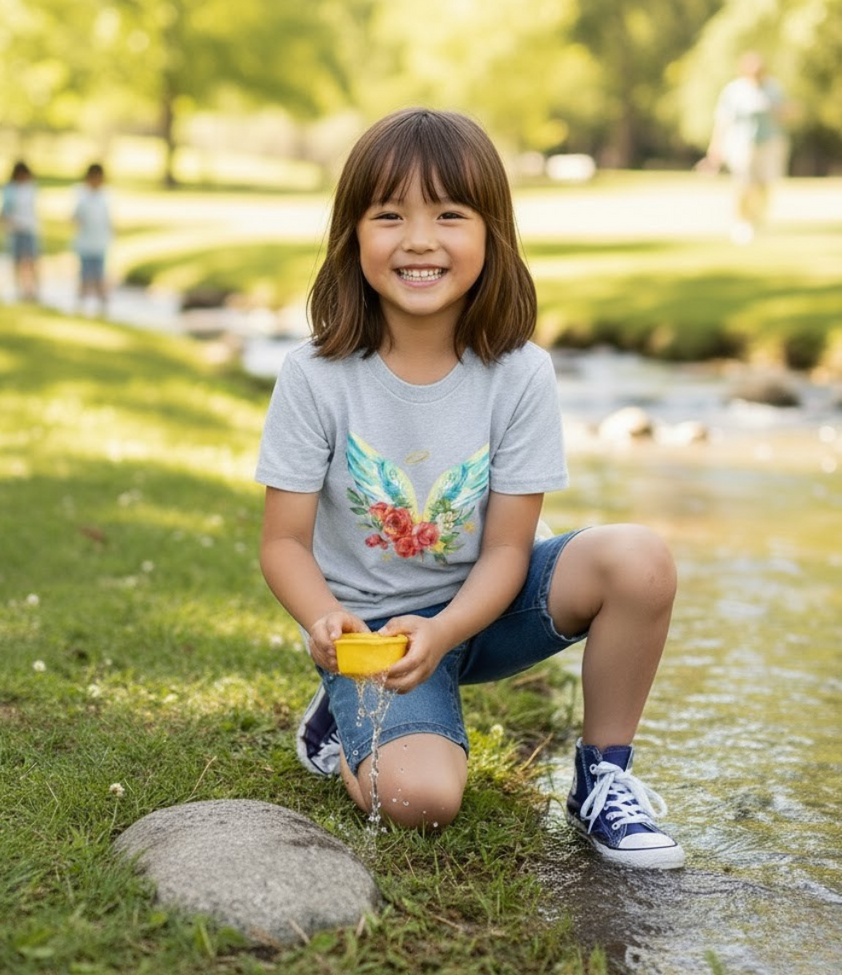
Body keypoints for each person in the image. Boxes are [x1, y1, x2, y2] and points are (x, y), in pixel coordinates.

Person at [255, 108, 685, 869]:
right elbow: (284, 543)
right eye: (390, 216)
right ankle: (342, 714)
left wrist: (448, 631)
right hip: (373, 638)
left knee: (640, 559)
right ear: (353, 236)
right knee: (424, 802)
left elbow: (508, 551)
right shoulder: (313, 377)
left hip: (486, 606)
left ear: (492, 234)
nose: (419, 240)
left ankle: (602, 778)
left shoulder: (520, 373)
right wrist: (328, 623)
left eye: (449, 215)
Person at [700, 51, 790, 245]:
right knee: (744, 184)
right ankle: (742, 222)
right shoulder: (734, 90)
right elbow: (723, 121)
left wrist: (776, 109)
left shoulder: (773, 88)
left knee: (764, 184)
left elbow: (787, 113)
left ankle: (757, 219)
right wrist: (715, 149)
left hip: (770, 142)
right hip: (742, 143)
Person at [72, 162, 113, 315]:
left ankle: (103, 308)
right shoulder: (81, 194)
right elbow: (74, 218)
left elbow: (109, 219)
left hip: (100, 243)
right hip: (85, 243)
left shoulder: (106, 195)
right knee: (84, 276)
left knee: (100, 276)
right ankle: (80, 307)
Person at [0, 160, 40, 301]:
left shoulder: (31, 188)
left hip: (29, 229)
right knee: (17, 261)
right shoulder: (9, 190)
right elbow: (3, 211)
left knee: (31, 261)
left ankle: (34, 290)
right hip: (15, 230)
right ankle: (19, 290)